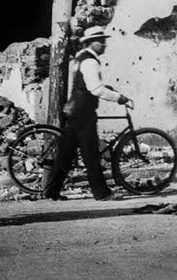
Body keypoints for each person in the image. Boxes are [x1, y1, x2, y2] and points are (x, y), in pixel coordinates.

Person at [43, 26, 133, 201]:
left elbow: (84, 84)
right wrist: (119, 97)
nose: (105, 44)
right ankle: (102, 193)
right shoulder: (90, 61)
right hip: (84, 112)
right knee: (91, 155)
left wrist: (106, 89)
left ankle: (52, 191)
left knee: (66, 154)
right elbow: (95, 89)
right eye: (102, 41)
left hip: (74, 110)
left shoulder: (79, 58)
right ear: (92, 43)